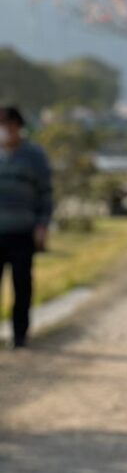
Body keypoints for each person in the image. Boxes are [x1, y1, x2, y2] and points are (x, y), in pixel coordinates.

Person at [0, 106, 53, 349]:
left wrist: (42, 224)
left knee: (22, 284)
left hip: (23, 230)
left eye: (7, 125)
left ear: (17, 126)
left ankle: (20, 334)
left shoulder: (34, 155)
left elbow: (45, 193)